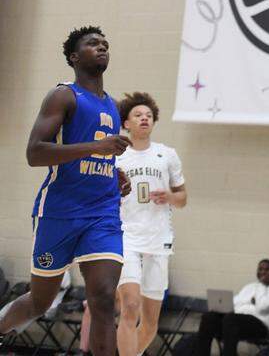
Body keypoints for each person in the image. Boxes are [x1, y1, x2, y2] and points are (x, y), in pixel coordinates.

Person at [0, 26, 132, 356]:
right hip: (59, 212)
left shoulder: (113, 106)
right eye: (93, 44)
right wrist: (96, 148)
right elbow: (36, 153)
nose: (102, 47)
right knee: (40, 302)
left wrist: (114, 174)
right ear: (74, 57)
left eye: (105, 44)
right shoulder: (63, 95)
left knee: (102, 297)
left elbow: (95, 155)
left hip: (102, 213)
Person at [114, 91, 187, 356]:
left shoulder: (167, 155)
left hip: (158, 240)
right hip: (127, 237)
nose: (144, 119)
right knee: (130, 306)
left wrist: (169, 196)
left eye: (148, 115)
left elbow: (183, 198)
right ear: (126, 123)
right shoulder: (116, 156)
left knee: (150, 324)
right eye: (138, 115)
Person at [196, 259, 269, 356]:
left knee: (231, 320)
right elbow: (234, 303)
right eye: (260, 269)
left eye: (267, 269)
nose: (263, 272)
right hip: (234, 323)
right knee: (209, 317)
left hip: (261, 325)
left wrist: (261, 286)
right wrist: (220, 308)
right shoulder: (250, 286)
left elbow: (262, 307)